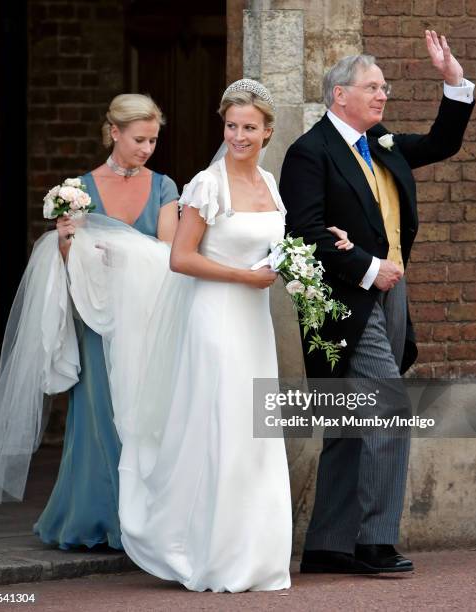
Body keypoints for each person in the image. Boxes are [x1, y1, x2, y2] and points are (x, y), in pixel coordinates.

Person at [279, 31, 475, 574]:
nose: (382, 94)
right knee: (388, 407)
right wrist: (367, 267)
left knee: (350, 419)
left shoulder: (380, 142)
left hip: (391, 295)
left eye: (384, 86)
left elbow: (440, 145)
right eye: (372, 86)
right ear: (339, 95)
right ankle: (372, 540)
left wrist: (453, 82)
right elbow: (304, 233)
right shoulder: (308, 152)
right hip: (344, 301)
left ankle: (327, 545)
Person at [113, 79, 293, 592]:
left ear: (267, 131)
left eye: (249, 127)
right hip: (215, 318)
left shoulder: (270, 182)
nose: (239, 135)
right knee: (225, 427)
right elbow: (181, 257)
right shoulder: (206, 184)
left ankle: (257, 557)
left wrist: (290, 265)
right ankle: (213, 555)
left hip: (254, 320)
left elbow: (274, 246)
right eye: (232, 126)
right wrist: (245, 277)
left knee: (255, 432)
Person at [32, 93, 179, 550]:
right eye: (139, 139)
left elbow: (170, 253)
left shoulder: (164, 187)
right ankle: (96, 518)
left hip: (150, 318)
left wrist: (127, 255)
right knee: (99, 414)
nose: (147, 149)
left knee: (146, 415)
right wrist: (64, 242)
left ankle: (142, 523)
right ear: (114, 132)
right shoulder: (79, 189)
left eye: (153, 140)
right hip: (99, 317)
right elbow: (69, 258)